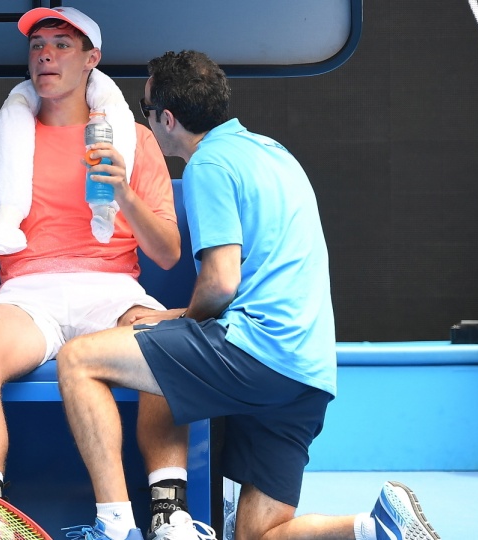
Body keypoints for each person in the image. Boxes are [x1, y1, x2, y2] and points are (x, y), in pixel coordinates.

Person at [56, 50, 442, 540]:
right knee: (260, 535)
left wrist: (181, 320)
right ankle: (376, 526)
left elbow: (220, 282)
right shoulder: (273, 152)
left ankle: (114, 526)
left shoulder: (208, 165)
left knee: (78, 359)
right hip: (309, 372)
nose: (144, 118)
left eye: (145, 107)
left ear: (166, 119)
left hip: (258, 351)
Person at [0, 6, 192, 536]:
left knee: (164, 340)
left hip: (113, 288)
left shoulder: (133, 139)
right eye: (37, 44)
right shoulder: (0, 140)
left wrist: (120, 189)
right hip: (28, 293)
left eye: (62, 44)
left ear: (91, 59)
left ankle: (169, 514)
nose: (45, 53)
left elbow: (166, 253)